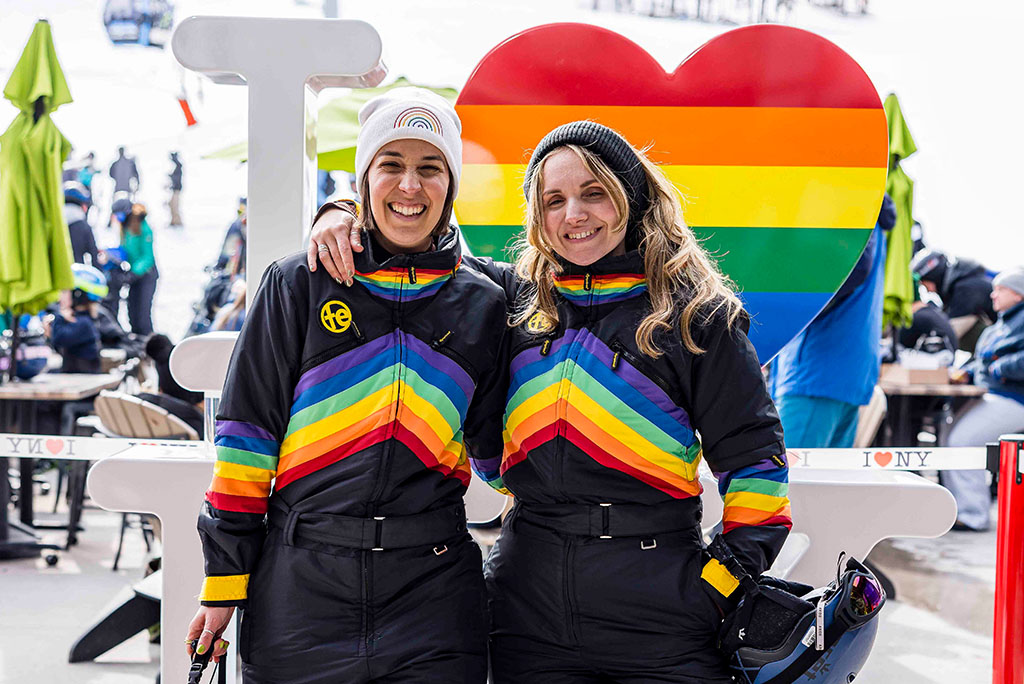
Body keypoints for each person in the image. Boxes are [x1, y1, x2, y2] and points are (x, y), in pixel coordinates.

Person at [311, 121, 791, 683]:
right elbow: (410, 231)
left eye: (594, 194)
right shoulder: (511, 301)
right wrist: (340, 210)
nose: (574, 215)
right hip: (527, 607)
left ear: (630, 198)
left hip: (662, 615)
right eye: (554, 200)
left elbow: (758, 466)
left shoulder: (695, 317)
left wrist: (715, 587)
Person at [186, 88, 507, 683]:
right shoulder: (298, 282)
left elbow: (499, 451)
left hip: (432, 597)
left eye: (430, 167)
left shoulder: (485, 302)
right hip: (299, 592)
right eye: (391, 165)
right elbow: (245, 439)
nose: (409, 186)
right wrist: (224, 580)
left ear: (451, 186)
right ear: (363, 181)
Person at [769, 194, 893, 448]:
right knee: (824, 482)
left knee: (791, 482)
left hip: (816, 371)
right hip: (844, 371)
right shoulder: (869, 212)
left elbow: (842, 274)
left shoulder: (847, 206)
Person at [943, 267, 1024, 531]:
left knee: (963, 441)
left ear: (1019, 294)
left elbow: (1006, 361)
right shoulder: (1001, 322)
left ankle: (972, 514)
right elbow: (982, 360)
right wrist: (964, 372)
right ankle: (954, 509)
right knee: (947, 433)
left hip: (1013, 398)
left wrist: (1001, 367)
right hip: (989, 395)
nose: (993, 295)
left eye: (1001, 289)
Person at [911, 248, 994, 353]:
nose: (927, 290)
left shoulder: (966, 288)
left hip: (1004, 345)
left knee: (953, 337)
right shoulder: (961, 285)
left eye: (925, 284)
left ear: (934, 277)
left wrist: (926, 312)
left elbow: (951, 332)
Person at [139, 333, 203, 437]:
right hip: (191, 410)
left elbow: (161, 389)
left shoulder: (159, 364)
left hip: (173, 411)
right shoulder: (180, 357)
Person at [48, 264, 107, 374]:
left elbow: (59, 339)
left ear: (78, 294)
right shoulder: (79, 320)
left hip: (84, 381)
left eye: (65, 291)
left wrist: (59, 317)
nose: (60, 296)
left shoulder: (84, 323)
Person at [115, 202, 159, 336]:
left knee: (142, 315)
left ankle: (148, 341)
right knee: (132, 312)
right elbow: (126, 250)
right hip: (133, 276)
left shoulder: (143, 227)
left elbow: (147, 257)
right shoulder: (125, 228)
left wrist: (135, 272)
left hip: (146, 275)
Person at [63, 181, 100, 266]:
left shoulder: (57, 225)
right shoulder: (83, 226)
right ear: (83, 206)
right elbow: (93, 254)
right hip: (78, 275)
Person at [168, 151, 183, 227]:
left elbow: (176, 179)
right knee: (171, 205)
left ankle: (178, 221)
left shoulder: (178, 166)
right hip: (175, 189)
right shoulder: (177, 167)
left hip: (177, 189)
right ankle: (174, 221)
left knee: (175, 206)